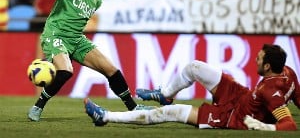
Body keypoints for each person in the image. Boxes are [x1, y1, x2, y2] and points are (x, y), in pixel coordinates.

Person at [27, 0, 151, 122]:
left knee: (111, 70)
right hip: (56, 34)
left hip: (77, 40)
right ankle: (38, 106)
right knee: (66, 71)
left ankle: (134, 108)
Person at [84, 44, 300, 131]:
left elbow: (289, 124)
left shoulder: (270, 92)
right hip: (240, 95)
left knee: (169, 113)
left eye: (260, 58)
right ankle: (166, 94)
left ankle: (106, 116)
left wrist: (262, 127)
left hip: (234, 116)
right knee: (194, 67)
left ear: (268, 66)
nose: (255, 59)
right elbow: (298, 96)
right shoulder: (288, 72)